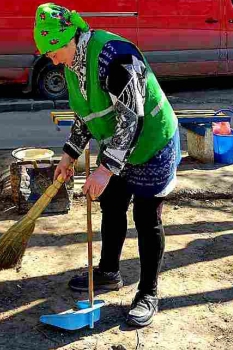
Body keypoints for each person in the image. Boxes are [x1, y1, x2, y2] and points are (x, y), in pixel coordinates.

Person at [34, 3, 181, 327]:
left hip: (152, 143)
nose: (52, 59)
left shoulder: (116, 57)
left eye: (53, 51)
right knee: (111, 204)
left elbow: (133, 117)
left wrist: (104, 170)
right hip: (119, 144)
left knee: (146, 217)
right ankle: (109, 272)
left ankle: (147, 292)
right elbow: (87, 114)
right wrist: (69, 154)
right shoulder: (73, 65)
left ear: (70, 38)